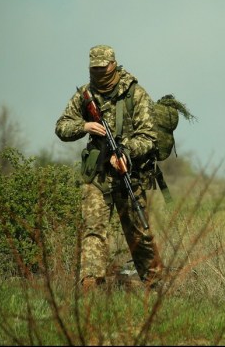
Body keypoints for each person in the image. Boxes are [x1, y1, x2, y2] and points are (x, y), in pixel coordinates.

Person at [55, 45, 163, 292]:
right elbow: (61, 126)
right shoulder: (86, 94)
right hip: (98, 175)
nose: (100, 73)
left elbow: (149, 136)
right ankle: (90, 285)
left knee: (139, 233)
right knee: (93, 229)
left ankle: (155, 286)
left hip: (129, 173)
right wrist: (85, 126)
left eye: (103, 68)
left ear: (114, 65)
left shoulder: (135, 94)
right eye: (95, 69)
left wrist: (126, 152)